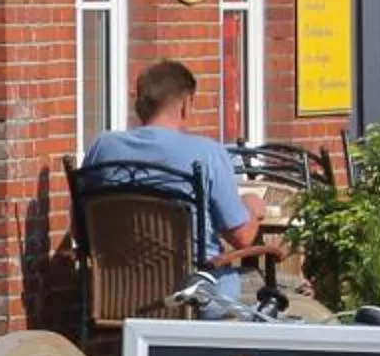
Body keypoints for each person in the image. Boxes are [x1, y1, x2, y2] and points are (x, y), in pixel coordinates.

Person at [79, 60, 263, 286]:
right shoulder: (207, 154)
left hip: (119, 293)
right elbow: (242, 238)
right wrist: (253, 207)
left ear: (139, 105)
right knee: (278, 291)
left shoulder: (103, 148)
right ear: (186, 104)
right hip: (194, 295)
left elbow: (80, 230)